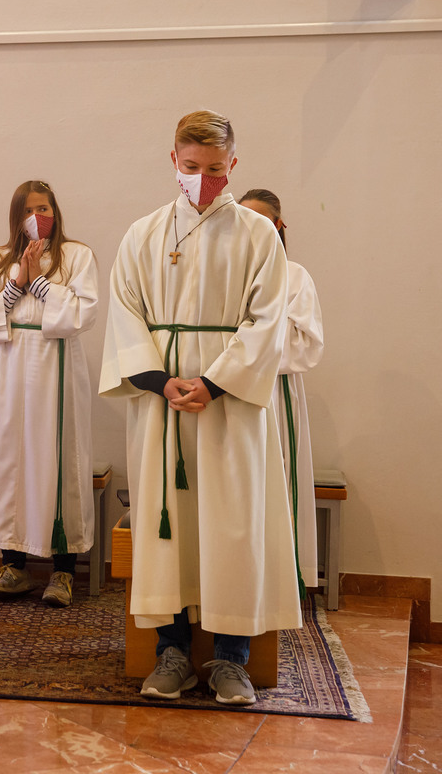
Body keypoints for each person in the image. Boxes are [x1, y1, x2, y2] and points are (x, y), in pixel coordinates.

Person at [99, 110, 299, 707]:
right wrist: (162, 382)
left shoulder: (258, 235)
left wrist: (213, 383)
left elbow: (268, 321)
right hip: (164, 406)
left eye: (216, 169)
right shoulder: (143, 234)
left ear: (233, 164)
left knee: (233, 524)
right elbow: (124, 314)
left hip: (230, 406)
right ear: (173, 160)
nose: (204, 181)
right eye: (191, 168)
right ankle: (173, 654)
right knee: (168, 525)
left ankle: (232, 661)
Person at [0, 180, 100, 607]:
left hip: (55, 362)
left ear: (55, 212)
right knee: (9, 457)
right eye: (28, 210)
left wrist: (39, 282)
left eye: (43, 208)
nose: (36, 217)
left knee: (58, 458)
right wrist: (15, 283)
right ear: (16, 216)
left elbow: (81, 313)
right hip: (9, 364)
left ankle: (63, 571)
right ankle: (14, 567)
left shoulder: (76, 255)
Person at [240, 189, 323, 595]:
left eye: (260, 221)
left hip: (275, 391)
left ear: (278, 226)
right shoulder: (223, 273)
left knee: (278, 480)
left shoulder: (294, 276)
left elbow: (304, 345)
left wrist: (250, 337)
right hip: (229, 389)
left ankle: (281, 582)